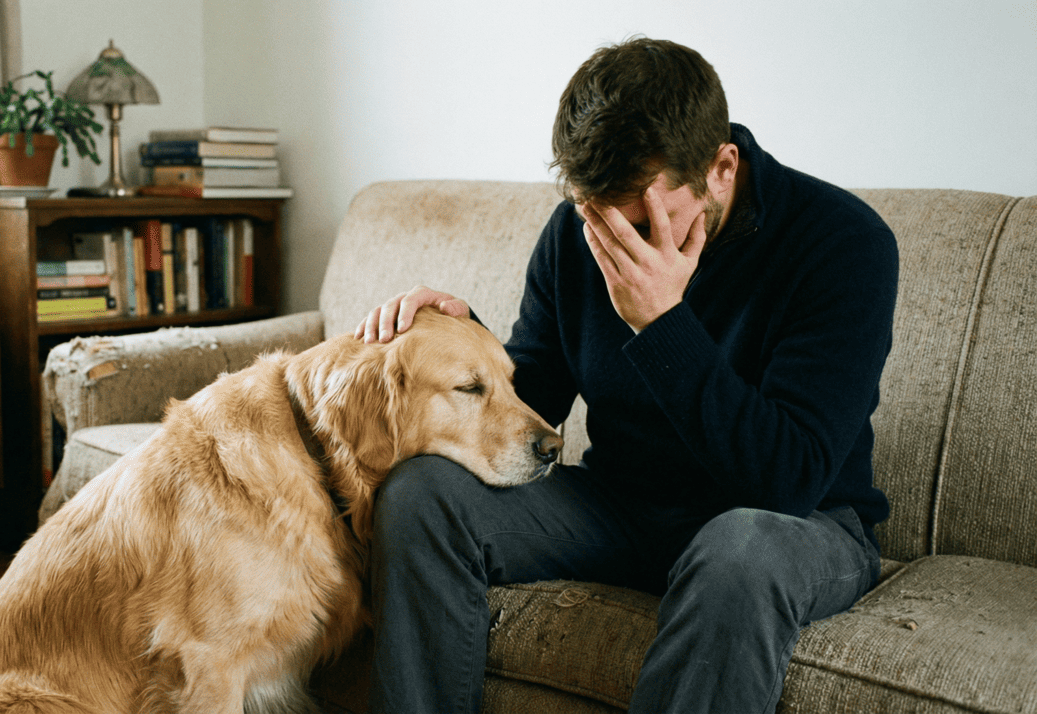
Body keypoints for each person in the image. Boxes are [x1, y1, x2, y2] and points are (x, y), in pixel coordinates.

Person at [354, 36, 898, 714]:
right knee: (422, 494)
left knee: (740, 548)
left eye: (641, 221)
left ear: (721, 168)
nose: (619, 240)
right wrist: (466, 340)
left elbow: (787, 479)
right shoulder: (575, 234)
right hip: (622, 504)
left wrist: (662, 326)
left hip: (795, 522)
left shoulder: (843, 244)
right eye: (597, 218)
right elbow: (538, 398)